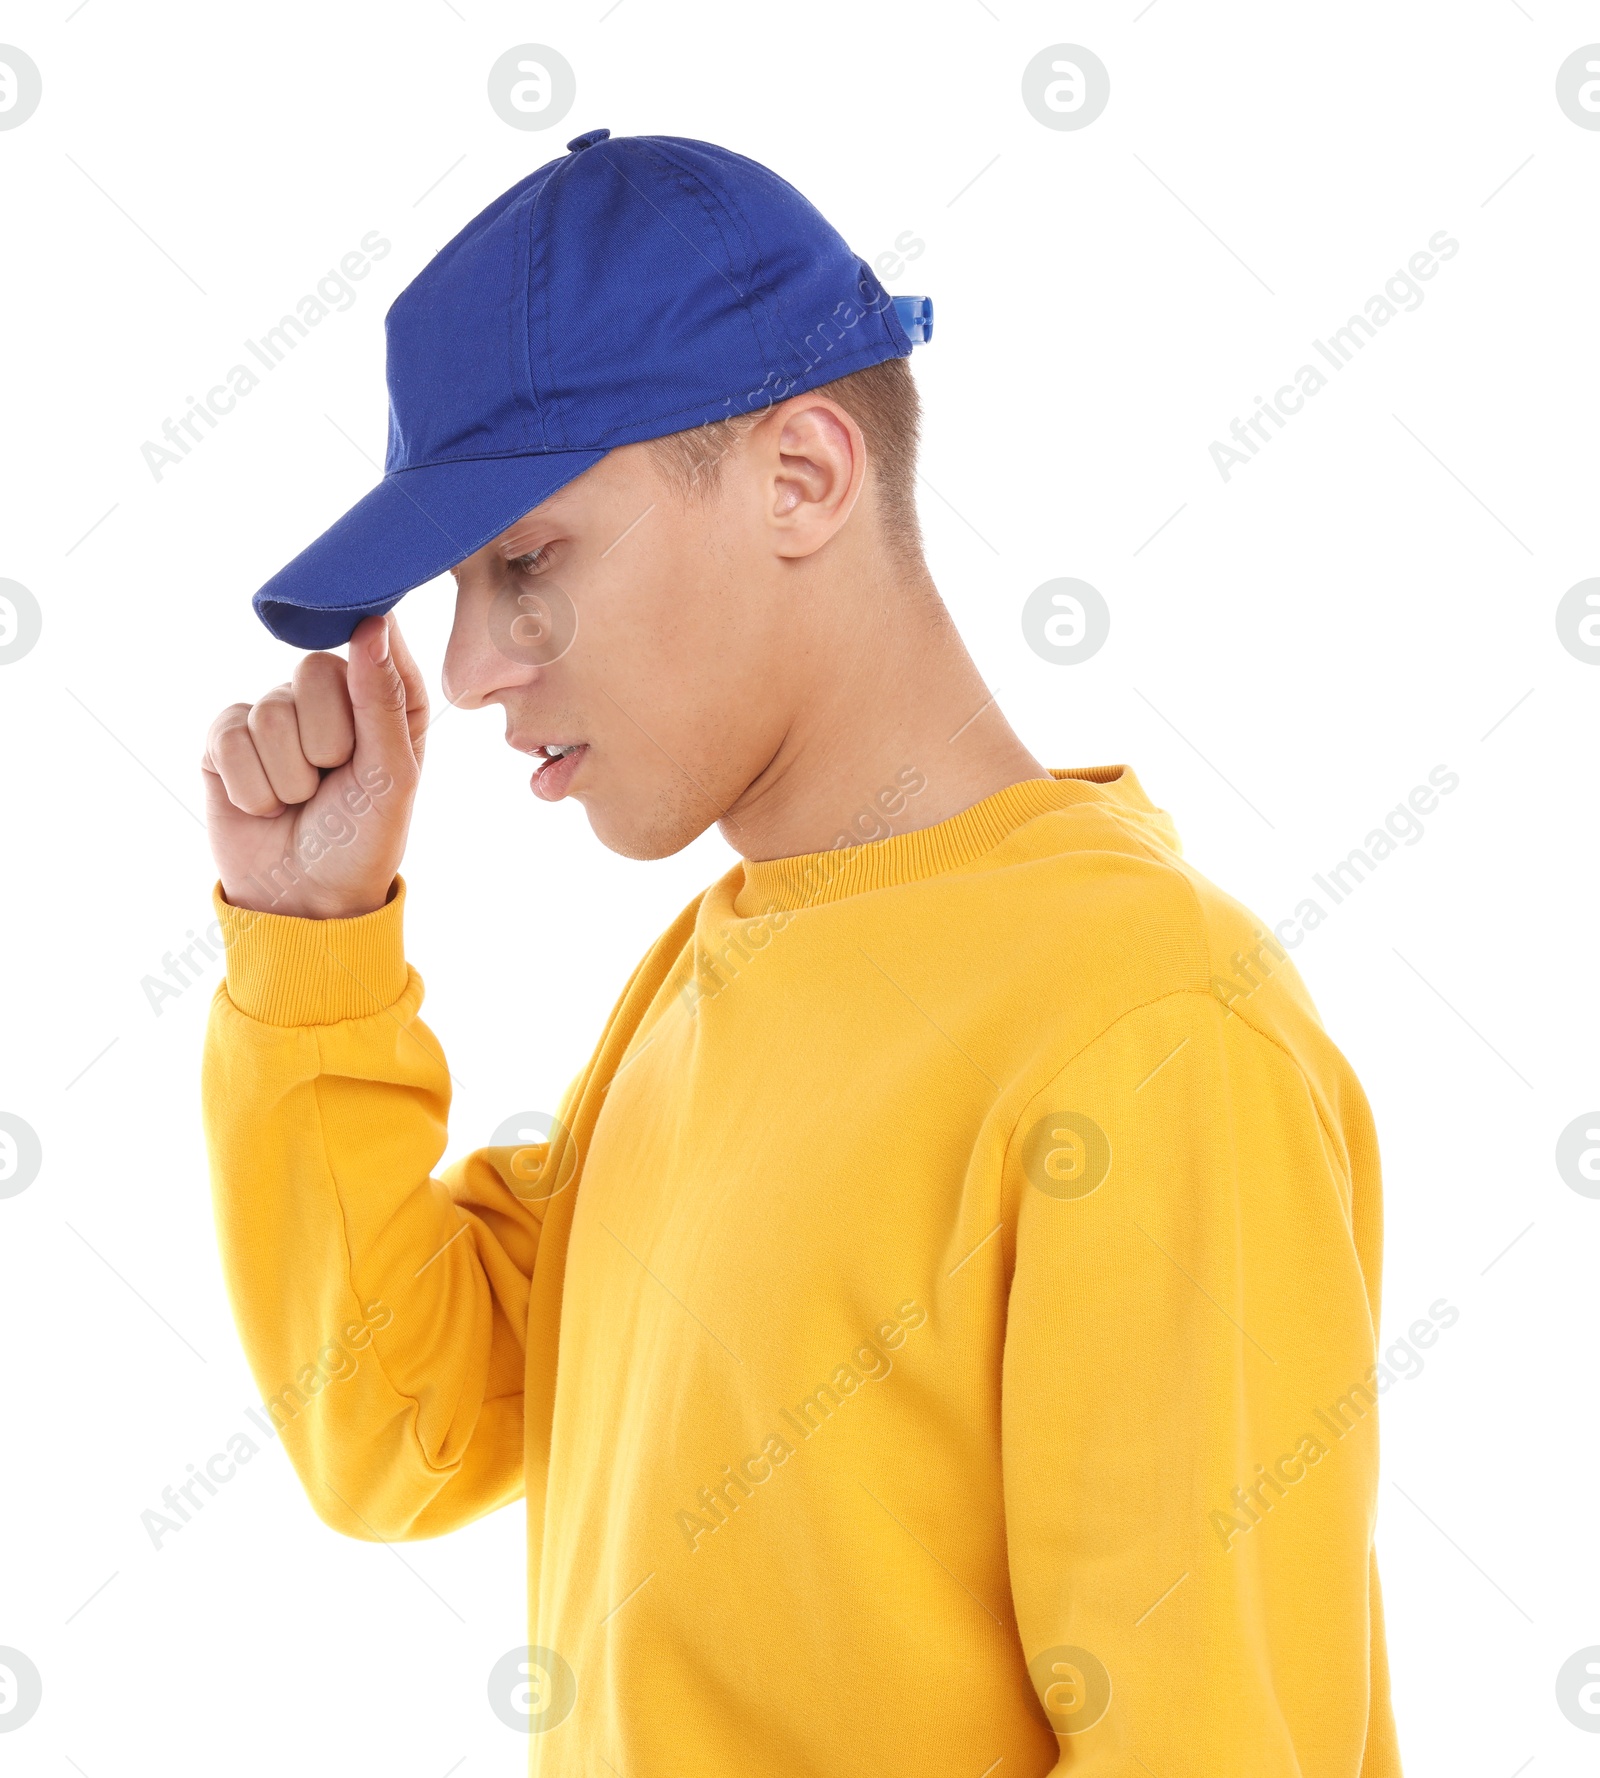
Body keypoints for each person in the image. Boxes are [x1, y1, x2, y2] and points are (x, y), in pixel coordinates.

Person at [200, 129, 1402, 1774]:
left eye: (529, 560)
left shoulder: (1149, 1025)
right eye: (463, 585)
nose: (467, 665)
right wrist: (313, 945)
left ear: (805, 476)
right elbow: (394, 1428)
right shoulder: (710, 979)